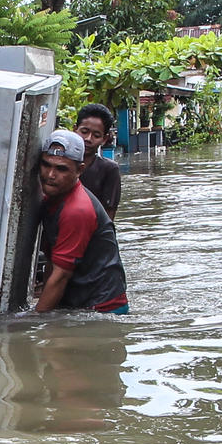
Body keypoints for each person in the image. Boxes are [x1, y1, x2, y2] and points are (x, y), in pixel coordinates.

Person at [35, 129, 128, 314]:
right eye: (46, 165)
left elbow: (61, 276)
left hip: (103, 309)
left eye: (61, 168)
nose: (50, 175)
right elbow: (53, 263)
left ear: (80, 170)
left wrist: (33, 321)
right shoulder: (52, 199)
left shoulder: (76, 210)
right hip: (78, 302)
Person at [74, 103, 121, 219]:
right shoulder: (60, 163)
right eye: (84, 132)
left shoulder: (109, 170)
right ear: (75, 129)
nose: (88, 139)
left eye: (96, 135)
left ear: (104, 139)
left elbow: (109, 215)